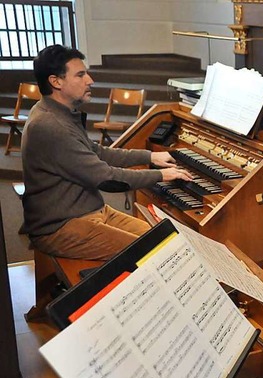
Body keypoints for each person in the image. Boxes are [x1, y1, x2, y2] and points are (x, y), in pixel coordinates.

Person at [21, 44, 192, 261]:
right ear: (56, 82)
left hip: (89, 211)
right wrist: (161, 176)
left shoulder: (57, 112)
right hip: (60, 226)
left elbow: (97, 152)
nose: (90, 80)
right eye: (81, 75)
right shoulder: (50, 125)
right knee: (157, 253)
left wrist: (149, 156)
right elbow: (106, 179)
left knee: (170, 240)